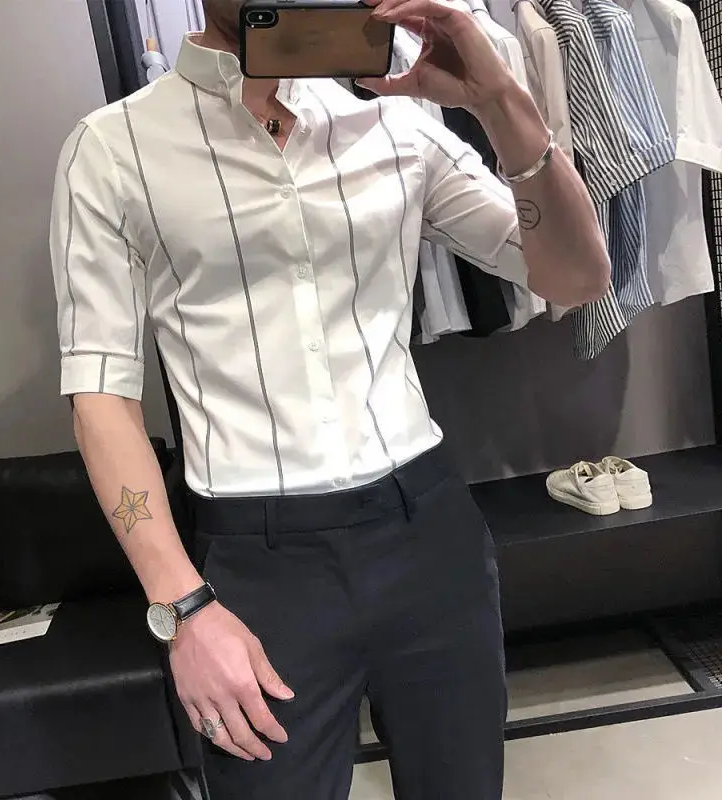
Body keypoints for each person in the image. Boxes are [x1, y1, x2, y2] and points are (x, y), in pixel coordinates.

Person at [50, 0, 610, 796]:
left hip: (428, 535)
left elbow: (576, 275)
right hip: (257, 567)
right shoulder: (114, 149)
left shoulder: (395, 126)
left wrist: (499, 101)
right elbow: (100, 397)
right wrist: (182, 611)